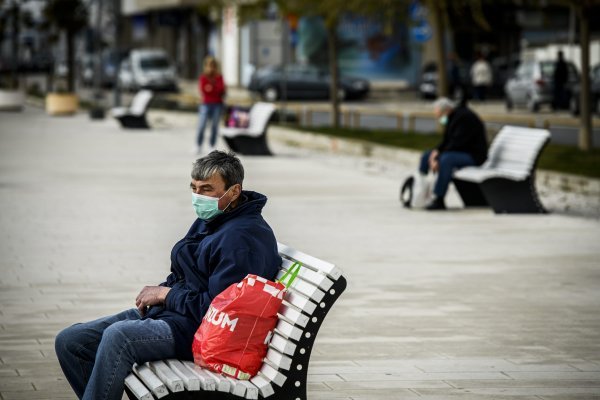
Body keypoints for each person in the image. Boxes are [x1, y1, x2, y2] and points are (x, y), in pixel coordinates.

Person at [55, 151, 282, 400]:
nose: (198, 197)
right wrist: (162, 293)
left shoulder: (241, 239)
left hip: (200, 331)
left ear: (234, 191)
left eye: (206, 189)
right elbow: (186, 272)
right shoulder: (215, 219)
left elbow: (218, 312)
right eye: (194, 188)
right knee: (72, 341)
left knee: (118, 337)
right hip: (173, 314)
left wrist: (166, 294)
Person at [419, 97, 488, 210]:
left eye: (440, 116)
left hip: (474, 156)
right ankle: (420, 191)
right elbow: (447, 141)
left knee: (446, 160)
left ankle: (439, 199)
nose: (440, 119)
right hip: (460, 153)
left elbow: (458, 143)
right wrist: (435, 153)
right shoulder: (453, 117)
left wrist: (438, 158)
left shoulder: (464, 118)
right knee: (426, 155)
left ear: (446, 110)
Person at [196, 56, 226, 154]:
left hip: (217, 104)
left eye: (213, 66)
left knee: (214, 126)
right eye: (209, 66)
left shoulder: (219, 77)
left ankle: (211, 145)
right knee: (202, 125)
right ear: (206, 66)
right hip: (205, 104)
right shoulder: (203, 77)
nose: (211, 68)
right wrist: (213, 88)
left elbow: (221, 90)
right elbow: (204, 90)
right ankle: (198, 145)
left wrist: (211, 87)